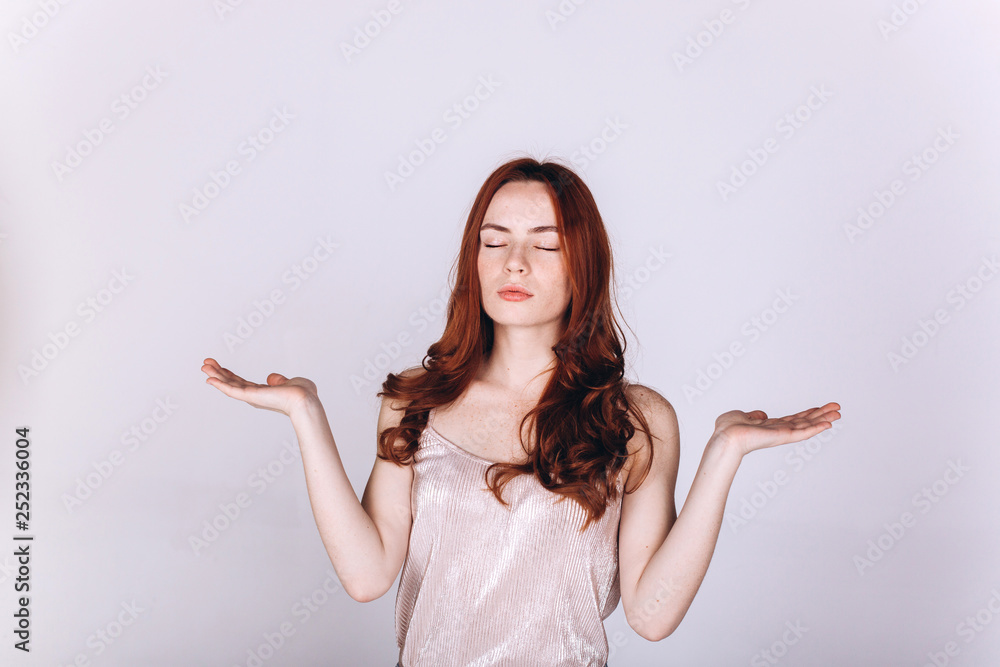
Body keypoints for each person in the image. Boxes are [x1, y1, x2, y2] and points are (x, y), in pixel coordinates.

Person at [201, 156, 840, 667]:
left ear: (583, 265)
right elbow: (368, 575)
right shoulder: (414, 402)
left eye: (546, 245)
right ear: (473, 259)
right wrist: (306, 416)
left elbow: (651, 615)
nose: (514, 262)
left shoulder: (635, 420)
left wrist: (725, 452)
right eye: (494, 241)